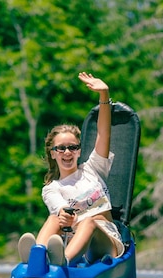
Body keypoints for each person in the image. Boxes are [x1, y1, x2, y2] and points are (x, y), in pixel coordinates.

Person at [18, 72, 124, 266]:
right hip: (74, 241)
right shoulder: (51, 188)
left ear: (78, 151)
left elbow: (104, 133)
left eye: (73, 147)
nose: (67, 152)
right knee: (53, 220)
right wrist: (64, 215)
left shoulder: (92, 169)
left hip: (105, 242)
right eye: (61, 148)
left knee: (88, 222)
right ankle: (36, 260)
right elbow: (59, 209)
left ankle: (63, 260)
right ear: (53, 153)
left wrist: (104, 96)